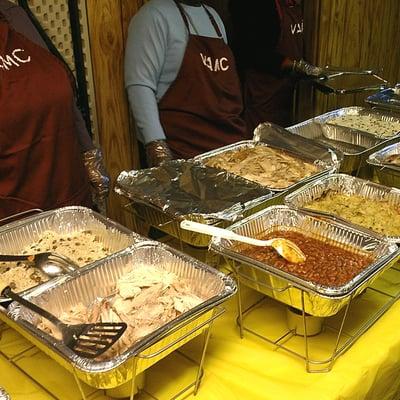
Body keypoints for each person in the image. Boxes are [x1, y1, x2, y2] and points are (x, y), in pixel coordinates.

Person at [0, 0, 110, 219]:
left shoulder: (12, 13)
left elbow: (63, 92)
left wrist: (90, 156)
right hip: (13, 217)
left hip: (69, 193)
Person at [124, 0, 248, 167]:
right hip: (185, 151)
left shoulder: (213, 18)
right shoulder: (153, 15)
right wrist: (156, 145)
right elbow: (140, 85)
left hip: (230, 147)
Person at [229, 0, 323, 131]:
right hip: (263, 94)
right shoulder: (253, 5)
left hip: (288, 95)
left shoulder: (294, 5)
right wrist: (291, 64)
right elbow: (250, 51)